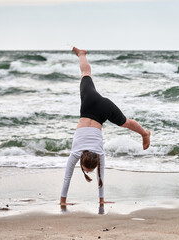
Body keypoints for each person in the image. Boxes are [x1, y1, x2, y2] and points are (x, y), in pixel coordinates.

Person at [60, 47, 151, 213]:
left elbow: (95, 177)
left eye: (88, 170)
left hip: (94, 104)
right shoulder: (79, 154)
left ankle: (145, 133)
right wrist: (64, 201)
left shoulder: (96, 155)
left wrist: (63, 203)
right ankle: (144, 133)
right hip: (91, 101)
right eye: (89, 170)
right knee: (126, 123)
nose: (89, 171)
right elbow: (72, 176)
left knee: (126, 123)